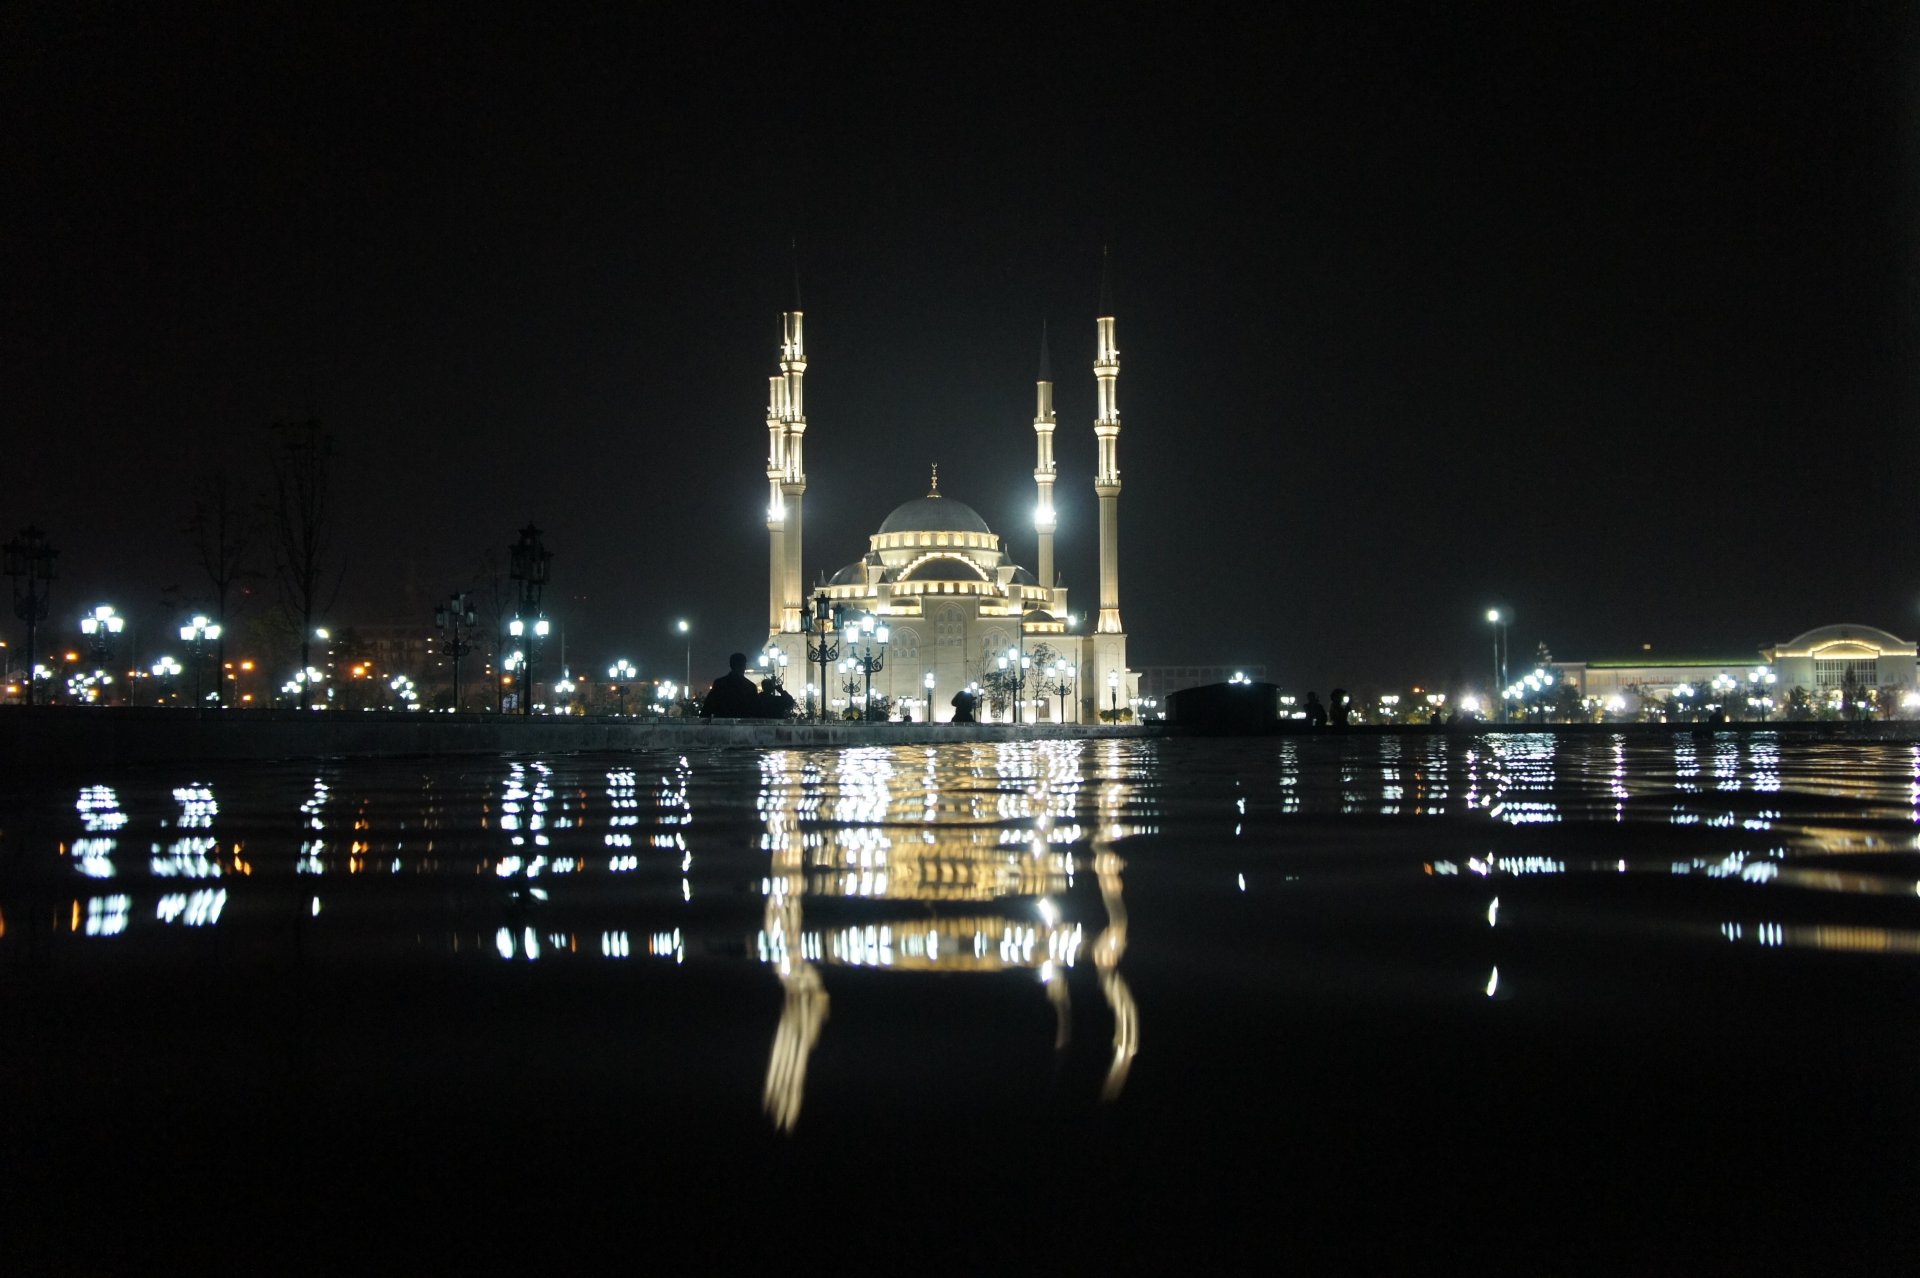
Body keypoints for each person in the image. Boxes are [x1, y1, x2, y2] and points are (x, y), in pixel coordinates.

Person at [700, 652, 760, 718]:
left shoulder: (719, 683)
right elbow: (756, 711)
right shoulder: (750, 687)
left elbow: (708, 708)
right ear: (744, 666)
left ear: (731, 665)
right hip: (744, 726)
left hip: (722, 725)